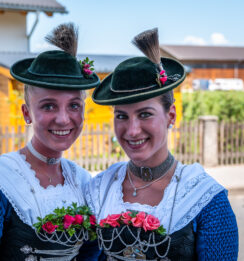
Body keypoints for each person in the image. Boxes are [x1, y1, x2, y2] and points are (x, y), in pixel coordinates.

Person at [86, 28, 238, 260]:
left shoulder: (205, 199)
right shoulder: (100, 190)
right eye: (121, 116)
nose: (132, 130)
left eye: (145, 114)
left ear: (171, 115)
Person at [0, 23, 101, 261]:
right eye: (48, 105)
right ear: (26, 113)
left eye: (74, 105)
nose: (64, 119)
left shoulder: (85, 184)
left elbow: (91, 256)